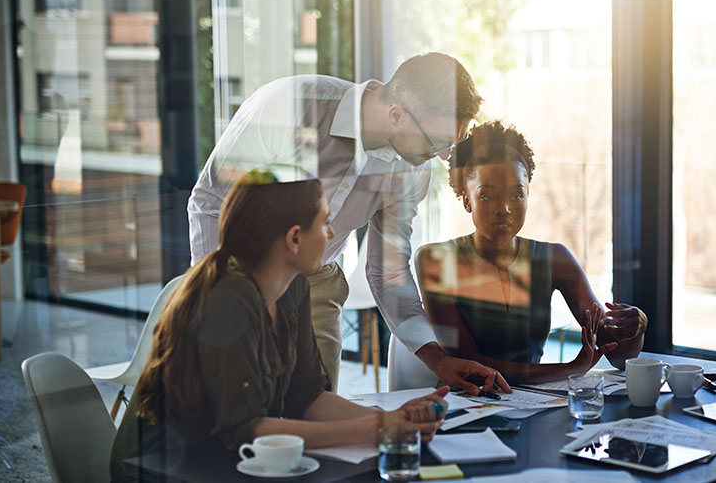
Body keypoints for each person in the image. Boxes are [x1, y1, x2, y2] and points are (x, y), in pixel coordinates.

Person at [187, 53, 510, 395]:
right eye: (436, 143)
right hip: (240, 273)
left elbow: (389, 271)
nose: (442, 157)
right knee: (236, 402)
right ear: (397, 114)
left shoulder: (412, 169)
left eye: (451, 144)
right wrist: (219, 294)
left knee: (317, 408)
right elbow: (210, 202)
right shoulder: (293, 106)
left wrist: (437, 360)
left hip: (317, 283)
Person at [111, 171, 449, 482]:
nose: (332, 234)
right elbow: (247, 431)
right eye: (325, 223)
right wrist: (377, 428)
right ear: (294, 238)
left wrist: (393, 418)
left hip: (230, 464)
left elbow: (307, 396)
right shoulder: (229, 298)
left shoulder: (294, 288)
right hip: (164, 468)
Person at [415, 122, 647, 384]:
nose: (504, 208)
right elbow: (471, 365)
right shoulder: (435, 260)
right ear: (466, 198)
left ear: (528, 195)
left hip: (531, 405)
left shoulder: (555, 259)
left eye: (516, 195)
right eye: (488, 197)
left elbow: (616, 356)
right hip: (465, 406)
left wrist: (635, 329)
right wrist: (569, 370)